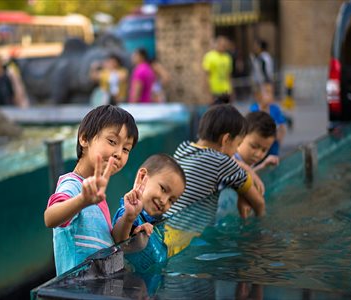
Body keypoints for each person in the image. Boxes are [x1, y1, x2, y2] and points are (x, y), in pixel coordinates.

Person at [43, 105, 150, 276]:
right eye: (112, 142)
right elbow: (50, 218)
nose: (118, 153)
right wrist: (82, 200)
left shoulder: (96, 194)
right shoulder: (73, 185)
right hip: (77, 291)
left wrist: (129, 217)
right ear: (84, 139)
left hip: (101, 287)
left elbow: (114, 241)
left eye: (126, 149)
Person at [164, 104, 266, 255]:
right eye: (237, 144)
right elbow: (258, 202)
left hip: (164, 231)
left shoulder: (183, 148)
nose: (237, 151)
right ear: (226, 140)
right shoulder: (222, 162)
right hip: (185, 242)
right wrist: (260, 230)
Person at [112, 154, 186, 273]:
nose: (164, 201)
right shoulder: (128, 213)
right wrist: (129, 217)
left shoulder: (156, 225)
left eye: (171, 200)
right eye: (163, 189)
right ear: (142, 177)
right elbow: (119, 240)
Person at [249, 83, 287, 157]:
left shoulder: (275, 109)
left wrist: (280, 138)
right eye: (267, 92)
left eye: (271, 92)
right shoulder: (254, 109)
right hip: (258, 145)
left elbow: (282, 125)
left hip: (273, 145)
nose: (271, 95)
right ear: (259, 95)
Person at [202, 36, 234, 104]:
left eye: (224, 45)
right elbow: (206, 75)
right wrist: (207, 92)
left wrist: (231, 90)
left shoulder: (227, 57)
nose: (223, 46)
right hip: (214, 89)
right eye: (221, 45)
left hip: (225, 90)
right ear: (216, 44)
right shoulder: (209, 56)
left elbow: (228, 75)